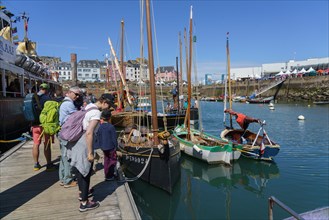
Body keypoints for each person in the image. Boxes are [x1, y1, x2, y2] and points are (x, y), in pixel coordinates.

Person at [69, 96, 112, 212]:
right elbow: (89, 133)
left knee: (79, 170)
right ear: (104, 102)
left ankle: (82, 194)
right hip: (84, 143)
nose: (109, 108)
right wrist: (90, 152)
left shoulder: (89, 106)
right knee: (86, 172)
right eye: (109, 105)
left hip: (77, 142)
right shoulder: (96, 113)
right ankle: (84, 203)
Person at [58, 86, 81, 188]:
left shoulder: (64, 103)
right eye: (76, 94)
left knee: (63, 157)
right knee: (67, 157)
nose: (77, 96)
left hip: (63, 132)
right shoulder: (68, 104)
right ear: (70, 92)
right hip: (67, 133)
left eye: (78, 95)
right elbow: (76, 117)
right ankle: (67, 180)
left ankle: (63, 178)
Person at [32, 83, 54, 171]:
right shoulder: (47, 98)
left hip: (34, 124)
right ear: (47, 89)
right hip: (45, 125)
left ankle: (36, 165)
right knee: (46, 144)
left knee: (36, 144)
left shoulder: (32, 97)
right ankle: (49, 165)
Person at [96, 109, 118, 181]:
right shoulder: (111, 127)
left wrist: (101, 145)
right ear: (109, 118)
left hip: (103, 147)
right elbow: (114, 138)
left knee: (106, 160)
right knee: (112, 161)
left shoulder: (100, 127)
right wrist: (116, 147)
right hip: (111, 147)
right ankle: (110, 175)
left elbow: (98, 137)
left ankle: (106, 175)